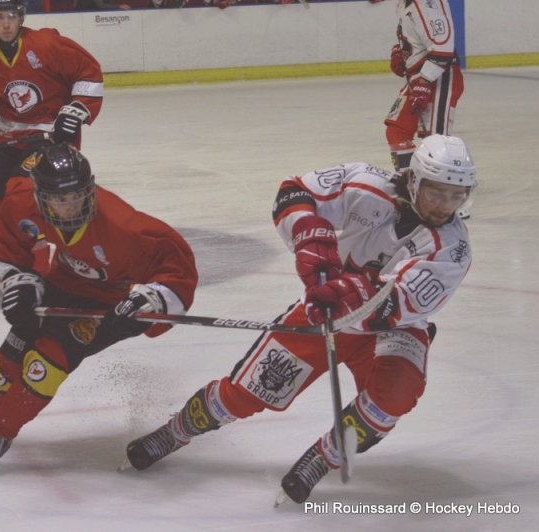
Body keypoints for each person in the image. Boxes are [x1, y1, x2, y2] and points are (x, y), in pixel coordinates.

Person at [122, 135, 476, 505]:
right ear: (415, 180)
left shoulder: (453, 248)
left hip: (391, 328)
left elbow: (393, 304)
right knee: (245, 393)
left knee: (396, 394)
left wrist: (345, 293)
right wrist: (308, 234)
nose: (445, 206)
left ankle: (321, 460)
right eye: (437, 192)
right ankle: (175, 432)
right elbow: (294, 192)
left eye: (457, 195)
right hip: (322, 312)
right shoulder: (366, 185)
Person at [0, 143, 199, 477]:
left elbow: (177, 268)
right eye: (59, 199)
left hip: (107, 304)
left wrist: (150, 300)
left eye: (77, 196)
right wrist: (19, 280)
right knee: (17, 344)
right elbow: (9, 244)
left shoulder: (123, 227)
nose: (70, 206)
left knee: (48, 359)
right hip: (60, 282)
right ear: (42, 196)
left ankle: (0, 432)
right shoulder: (24, 200)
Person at [0, 0, 104, 294]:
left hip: (49, 139)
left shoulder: (46, 44)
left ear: (21, 18)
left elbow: (88, 73)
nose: (6, 24)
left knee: (23, 199)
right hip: (8, 137)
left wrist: (75, 111)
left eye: (12, 16)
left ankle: (34, 271)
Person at [384, 0, 465, 216]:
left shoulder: (428, 3)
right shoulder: (403, 3)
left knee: (436, 141)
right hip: (419, 76)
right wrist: (401, 52)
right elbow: (416, 35)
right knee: (397, 130)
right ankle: (411, 190)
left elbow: (443, 50)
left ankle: (453, 197)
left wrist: (424, 83)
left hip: (439, 75)